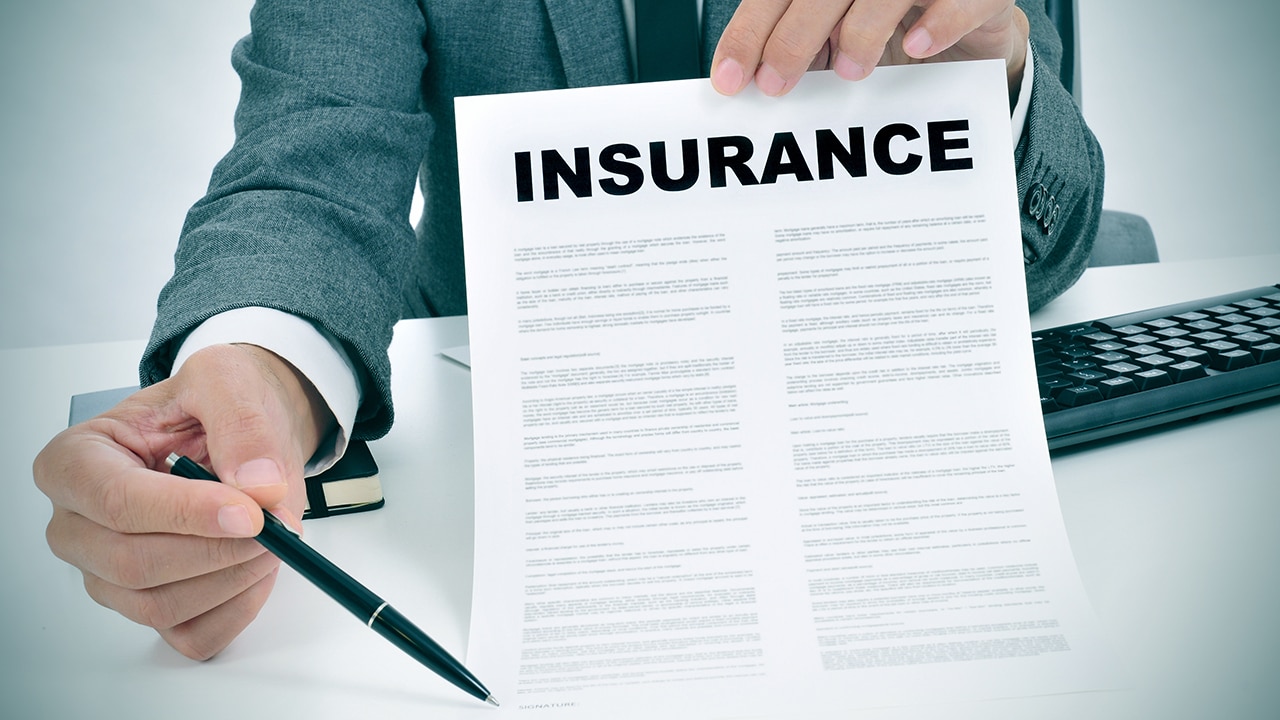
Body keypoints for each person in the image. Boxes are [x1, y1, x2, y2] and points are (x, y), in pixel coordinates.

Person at [33, 0, 1102, 662]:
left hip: (874, 442)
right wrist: (258, 365)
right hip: (534, 452)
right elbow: (311, 162)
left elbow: (1051, 228)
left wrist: (982, 90)